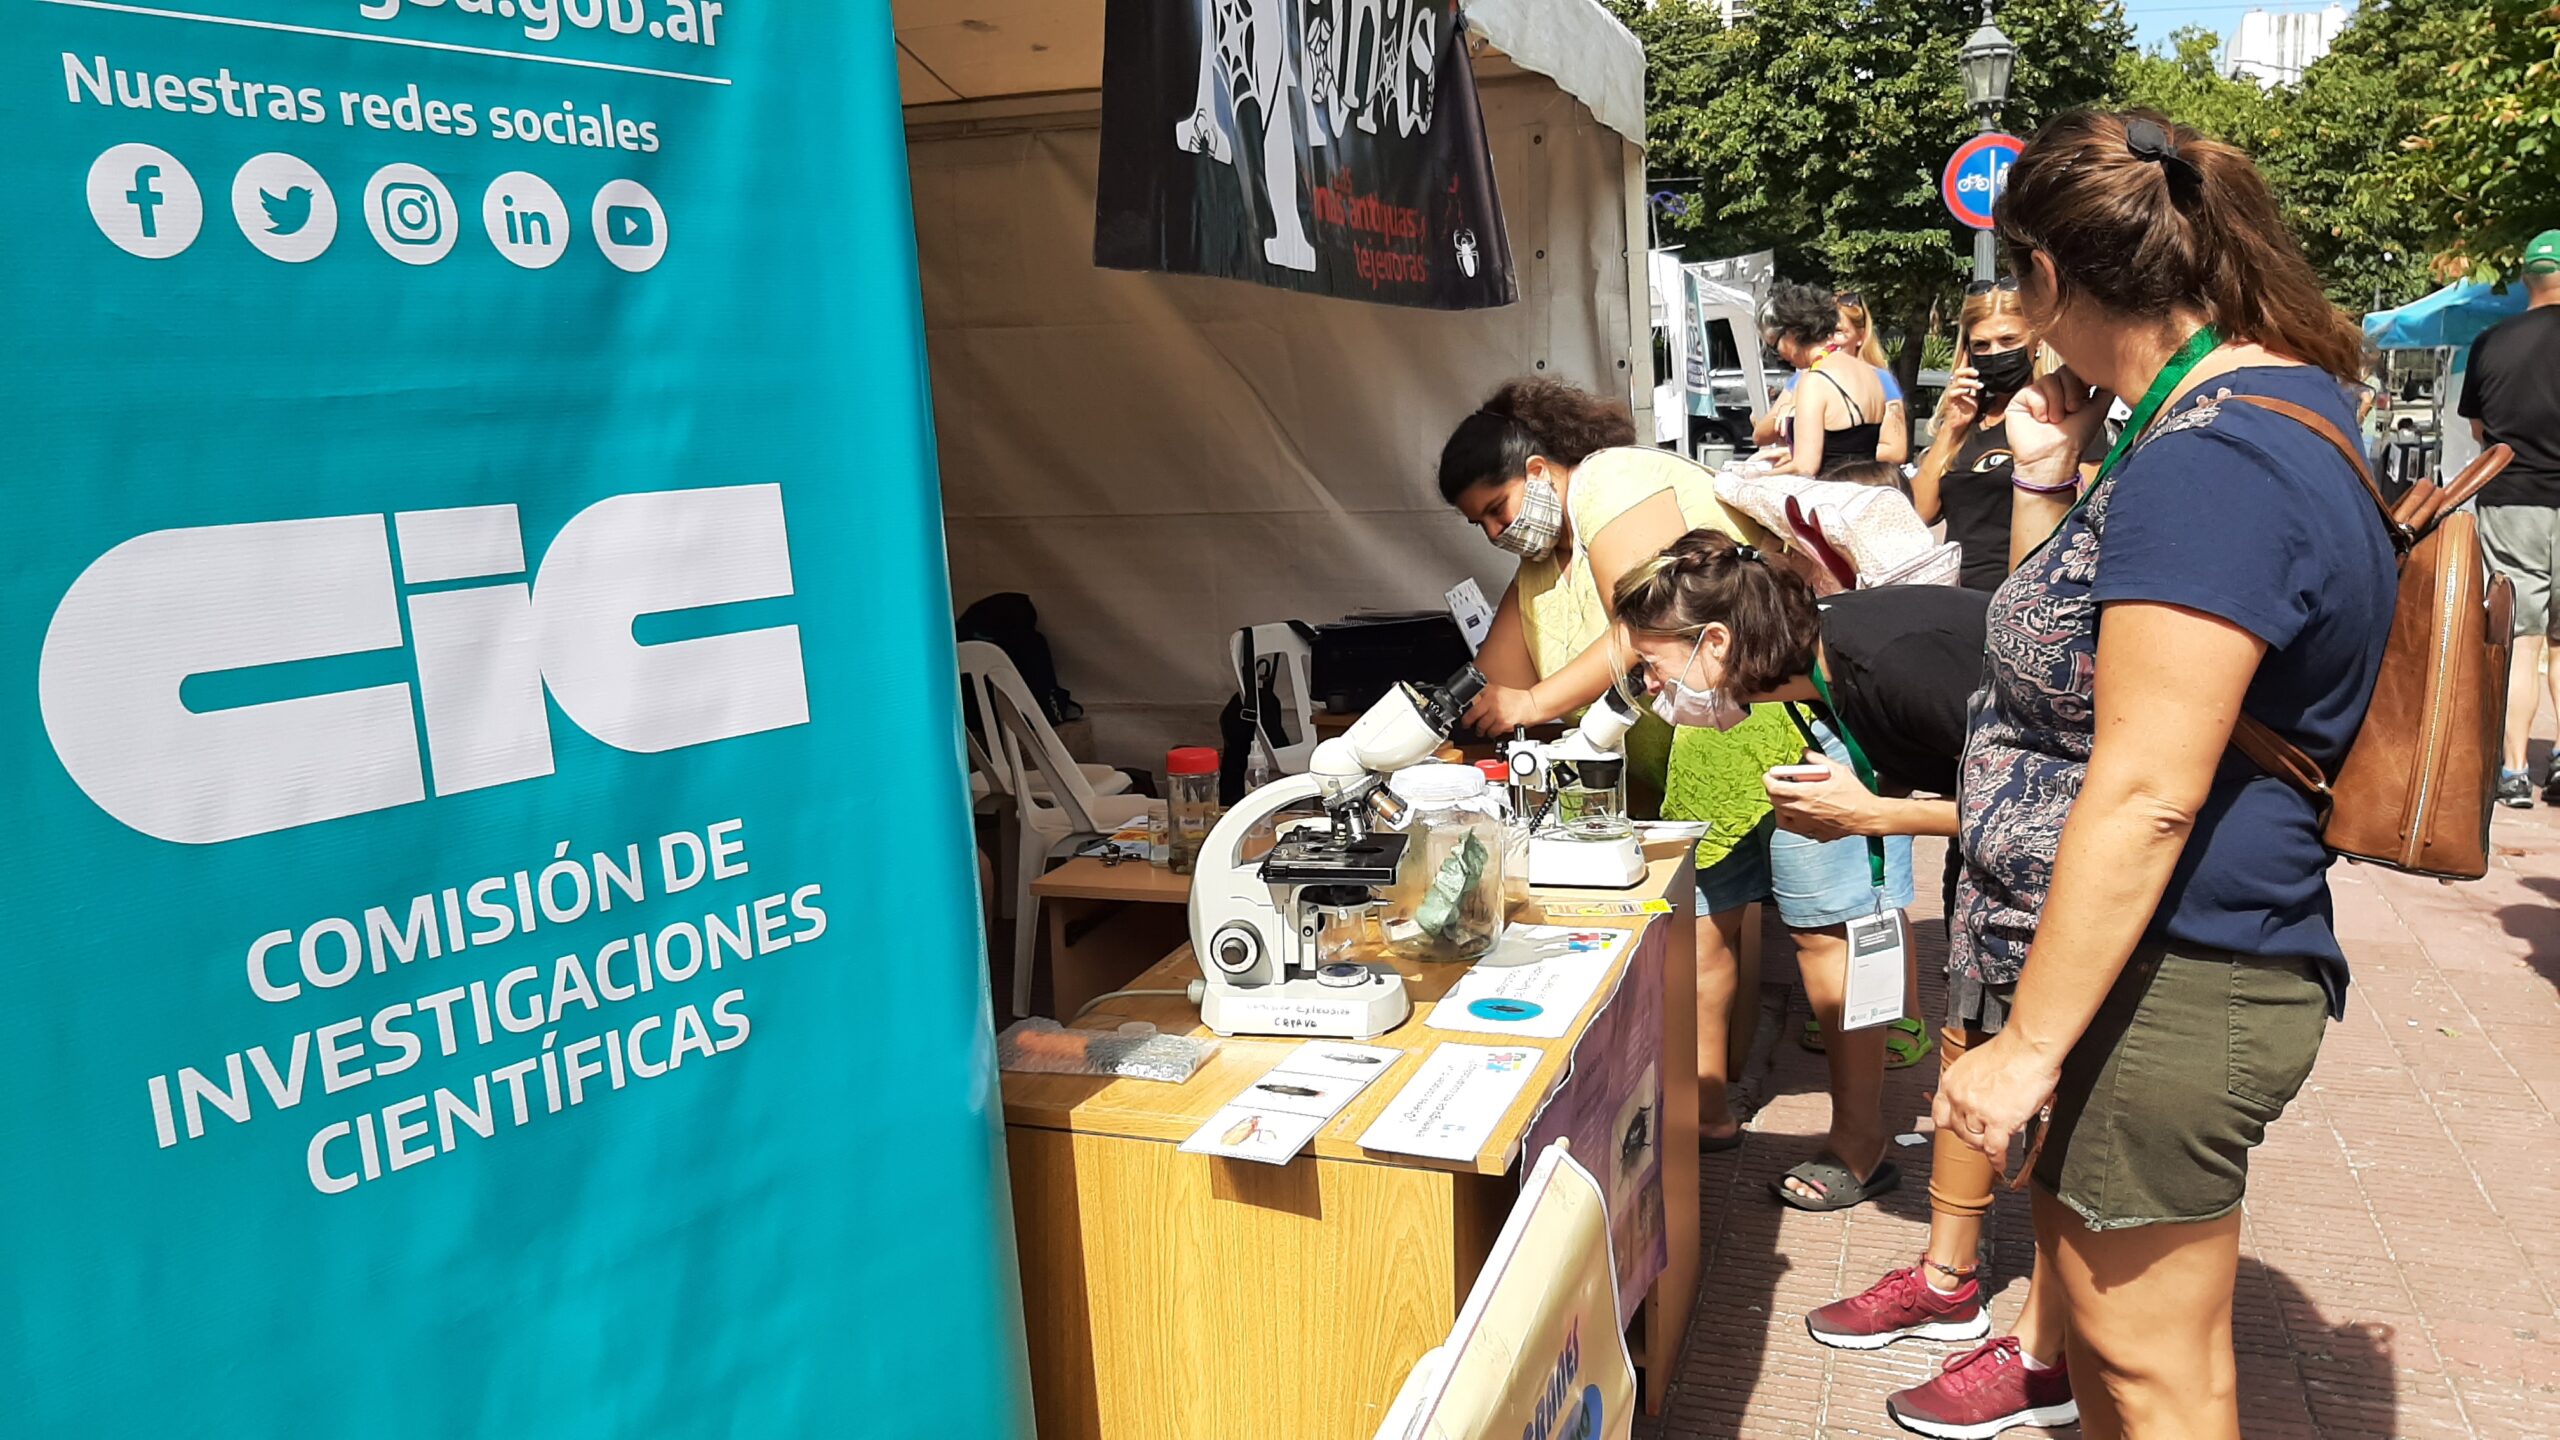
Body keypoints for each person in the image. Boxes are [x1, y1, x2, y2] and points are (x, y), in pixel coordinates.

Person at [1931, 111, 2394, 1440]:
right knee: (2154, 1365)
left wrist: (2023, 1050)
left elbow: (2147, 791)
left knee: (2147, 1373)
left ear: (2056, 281)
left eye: (2017, 282)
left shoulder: (2214, 462)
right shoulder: (2277, 406)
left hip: (2186, 964)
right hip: (2186, 960)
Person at [1435, 379, 1804, 1152]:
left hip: (1731, 731)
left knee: (1702, 927)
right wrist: (1433, 731)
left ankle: (1705, 1109)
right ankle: (1684, 1087)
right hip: (1659, 759)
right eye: (1481, 525)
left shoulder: (1612, 482)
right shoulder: (1544, 558)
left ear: (1539, 470)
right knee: (1691, 927)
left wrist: (1533, 705)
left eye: (1498, 509)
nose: (1497, 531)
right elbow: (1487, 679)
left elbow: (1647, 631)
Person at [1612, 538, 1927, 1214]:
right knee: (1699, 929)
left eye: (1653, 665)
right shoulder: (1714, 650)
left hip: (1820, 760)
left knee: (1831, 941)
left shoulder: (1860, 664)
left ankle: (1858, 1144)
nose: (1650, 687)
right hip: (1720, 762)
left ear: (1716, 641)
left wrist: (1873, 813)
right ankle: (1706, 1109)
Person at [1908, 280, 2108, 592]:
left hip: (2026, 592)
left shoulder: (2061, 419)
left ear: (2037, 341)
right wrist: (1952, 426)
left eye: (2008, 340)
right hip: (1957, 594)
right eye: (1981, 346)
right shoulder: (1968, 422)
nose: (1995, 353)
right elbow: (1921, 513)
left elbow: (2085, 519)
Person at [2459, 228, 2560, 808]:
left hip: (2512, 498)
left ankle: (2515, 770)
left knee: (2521, 638)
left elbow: (2479, 431)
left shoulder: (2492, 342)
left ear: (2526, 279)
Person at [1757, 281, 1893, 478]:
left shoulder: (1814, 380)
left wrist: (1753, 480)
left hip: (1833, 496)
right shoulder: (1872, 373)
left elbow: (1804, 467)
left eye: (1775, 345)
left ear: (1792, 334)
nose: (1779, 354)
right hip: (1873, 488)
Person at [1836, 292, 1913, 465]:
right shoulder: (1806, 378)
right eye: (1823, 332)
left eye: (1838, 332)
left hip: (1860, 483)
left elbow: (1896, 451)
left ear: (1861, 337)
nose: (1830, 341)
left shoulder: (1881, 381)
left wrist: (1831, 449)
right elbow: (1761, 433)